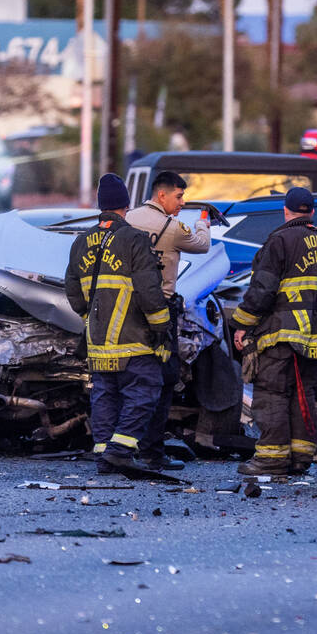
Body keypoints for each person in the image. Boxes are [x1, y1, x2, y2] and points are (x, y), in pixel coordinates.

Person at [230, 187, 317, 476]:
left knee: (272, 393)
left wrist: (242, 324)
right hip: (315, 339)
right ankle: (300, 458)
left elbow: (262, 290)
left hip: (280, 336)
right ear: (312, 212)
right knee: (303, 395)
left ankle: (271, 459)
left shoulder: (279, 241)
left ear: (286, 211)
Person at [65, 173, 172, 473]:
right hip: (132, 338)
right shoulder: (135, 239)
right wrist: (161, 328)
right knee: (145, 389)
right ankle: (121, 450)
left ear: (101, 207)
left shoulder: (82, 242)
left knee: (104, 395)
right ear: (126, 205)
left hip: (98, 340)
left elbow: (72, 289)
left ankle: (104, 456)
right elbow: (150, 291)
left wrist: (89, 317)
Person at [126, 171, 211, 470]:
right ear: (162, 195)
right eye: (178, 196)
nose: (181, 202)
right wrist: (204, 221)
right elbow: (202, 245)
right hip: (160, 309)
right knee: (164, 377)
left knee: (125, 375)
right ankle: (152, 451)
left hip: (125, 308)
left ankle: (119, 448)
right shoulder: (172, 227)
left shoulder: (129, 219)